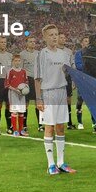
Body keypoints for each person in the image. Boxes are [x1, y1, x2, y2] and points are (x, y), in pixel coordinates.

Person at [35, 24, 75, 175]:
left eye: (56, 34)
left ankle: (61, 162)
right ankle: (51, 164)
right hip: (48, 93)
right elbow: (37, 79)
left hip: (61, 91)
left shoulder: (63, 54)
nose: (54, 37)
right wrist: (39, 98)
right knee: (49, 127)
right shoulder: (42, 54)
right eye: (51, 35)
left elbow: (68, 71)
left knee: (60, 127)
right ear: (45, 37)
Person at [18, 37, 40, 131]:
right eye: (30, 42)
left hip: (36, 80)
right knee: (25, 104)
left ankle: (41, 125)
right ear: (26, 43)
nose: (32, 43)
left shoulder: (38, 53)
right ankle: (24, 125)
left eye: (34, 42)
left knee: (38, 102)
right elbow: (20, 69)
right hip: (26, 80)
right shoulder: (22, 54)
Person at [5, 54, 29, 136]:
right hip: (13, 93)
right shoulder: (10, 71)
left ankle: (21, 130)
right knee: (15, 112)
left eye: (19, 61)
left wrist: (25, 89)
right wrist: (16, 89)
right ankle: (15, 131)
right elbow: (7, 84)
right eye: (15, 61)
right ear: (12, 62)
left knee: (21, 112)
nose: (17, 62)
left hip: (22, 94)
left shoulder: (23, 71)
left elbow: (26, 82)